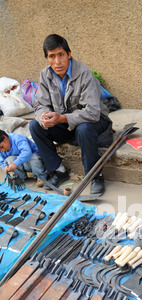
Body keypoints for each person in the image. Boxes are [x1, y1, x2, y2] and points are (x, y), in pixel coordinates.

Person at [29, 34, 113, 195]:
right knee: (35, 126)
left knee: (84, 128)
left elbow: (92, 112)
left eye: (61, 55)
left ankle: (95, 175)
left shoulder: (84, 73)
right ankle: (59, 170)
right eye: (51, 56)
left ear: (69, 54)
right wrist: (44, 116)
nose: (57, 61)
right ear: (47, 58)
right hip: (66, 123)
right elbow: (40, 104)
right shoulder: (45, 75)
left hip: (95, 120)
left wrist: (62, 118)